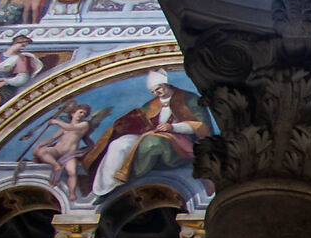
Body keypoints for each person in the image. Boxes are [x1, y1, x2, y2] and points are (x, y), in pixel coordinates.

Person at [86, 70, 206, 199]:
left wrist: (172, 127)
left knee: (152, 143)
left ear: (166, 84)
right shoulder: (153, 103)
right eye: (153, 92)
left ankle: (127, 178)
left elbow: (199, 125)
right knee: (119, 144)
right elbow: (142, 119)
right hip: (149, 133)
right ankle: (106, 188)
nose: (156, 93)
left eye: (158, 89)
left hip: (177, 139)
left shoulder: (189, 98)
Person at [26, 102, 95, 195]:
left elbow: (71, 127)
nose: (82, 115)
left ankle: (71, 193)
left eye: (85, 114)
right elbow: (53, 138)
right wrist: (39, 146)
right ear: (73, 113)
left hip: (70, 154)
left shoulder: (84, 124)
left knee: (72, 172)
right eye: (81, 112)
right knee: (42, 152)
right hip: (57, 150)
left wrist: (56, 121)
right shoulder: (64, 126)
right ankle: (56, 165)